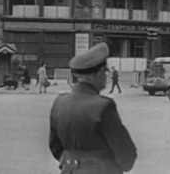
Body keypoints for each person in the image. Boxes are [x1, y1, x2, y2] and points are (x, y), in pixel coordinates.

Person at [49, 42, 137, 174]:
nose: (106, 77)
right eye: (105, 72)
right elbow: (126, 153)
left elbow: (55, 147)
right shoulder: (103, 106)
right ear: (98, 74)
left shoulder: (59, 102)